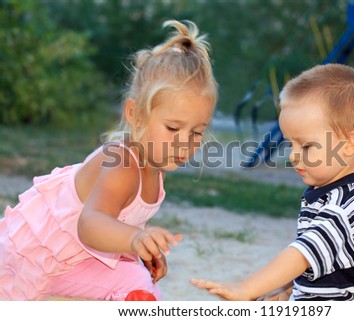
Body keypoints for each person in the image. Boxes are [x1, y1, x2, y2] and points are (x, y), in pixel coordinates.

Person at [0, 20, 218, 300]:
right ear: (135, 114)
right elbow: (90, 224)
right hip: (42, 258)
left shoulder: (155, 166)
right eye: (173, 128)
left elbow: (118, 222)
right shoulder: (122, 163)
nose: (184, 142)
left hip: (80, 259)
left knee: (139, 286)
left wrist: (138, 249)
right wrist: (133, 238)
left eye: (196, 132)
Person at [191, 64, 354, 301]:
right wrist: (287, 288)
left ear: (349, 144)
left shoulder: (346, 208)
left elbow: (301, 255)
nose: (293, 155)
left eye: (306, 145)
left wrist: (245, 289)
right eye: (290, 144)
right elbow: (321, 258)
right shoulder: (330, 192)